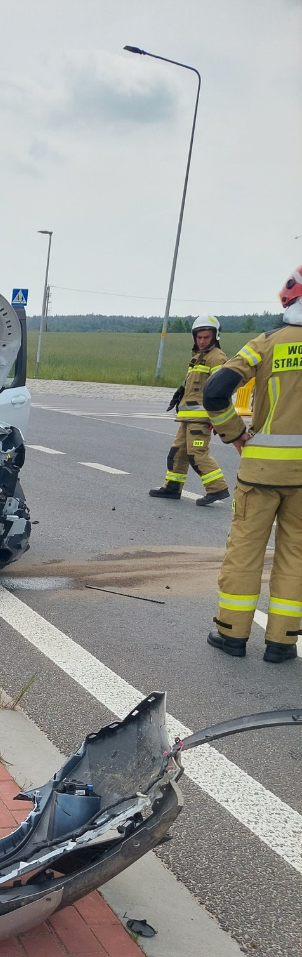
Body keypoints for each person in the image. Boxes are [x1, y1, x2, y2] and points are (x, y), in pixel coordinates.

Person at [204, 266, 302, 663]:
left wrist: (236, 434)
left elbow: (215, 392)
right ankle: (283, 643)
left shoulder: (265, 344)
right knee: (296, 556)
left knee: (245, 551)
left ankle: (232, 635)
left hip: (260, 471)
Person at [150, 314, 230, 505]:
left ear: (215, 336)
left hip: (202, 418)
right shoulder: (197, 357)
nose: (202, 341)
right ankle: (172, 487)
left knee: (197, 454)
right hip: (188, 417)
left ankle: (217, 488)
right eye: (199, 337)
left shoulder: (217, 358)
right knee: (177, 453)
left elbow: (222, 389)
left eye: (206, 338)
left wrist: (220, 419)